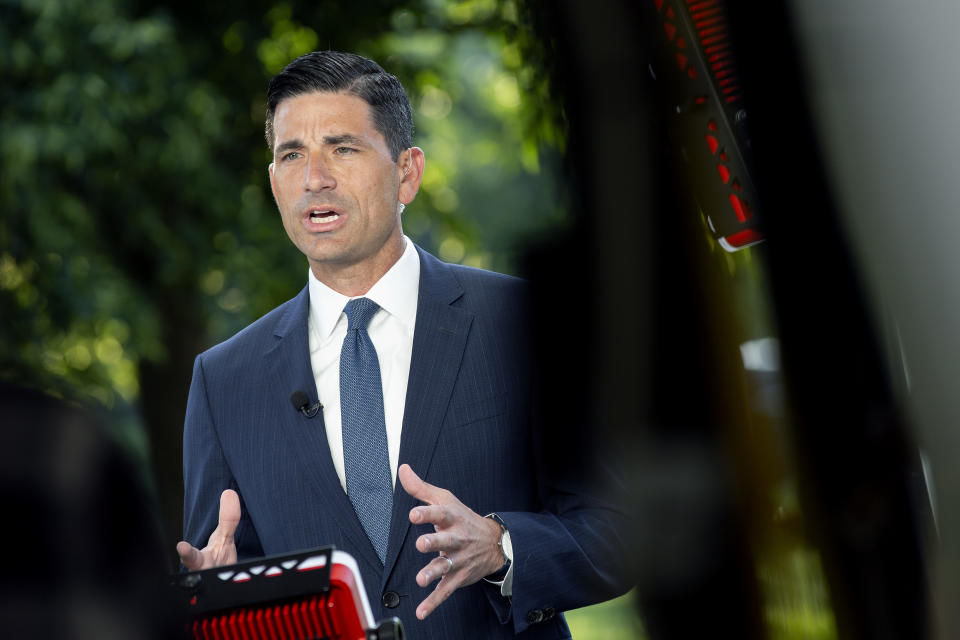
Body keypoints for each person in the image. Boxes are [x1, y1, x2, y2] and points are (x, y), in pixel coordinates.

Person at [177, 50, 629, 638]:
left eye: (342, 148)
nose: (314, 177)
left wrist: (503, 547)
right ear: (273, 182)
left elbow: (621, 531)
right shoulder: (223, 379)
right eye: (292, 155)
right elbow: (216, 575)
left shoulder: (522, 322)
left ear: (407, 173)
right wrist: (216, 600)